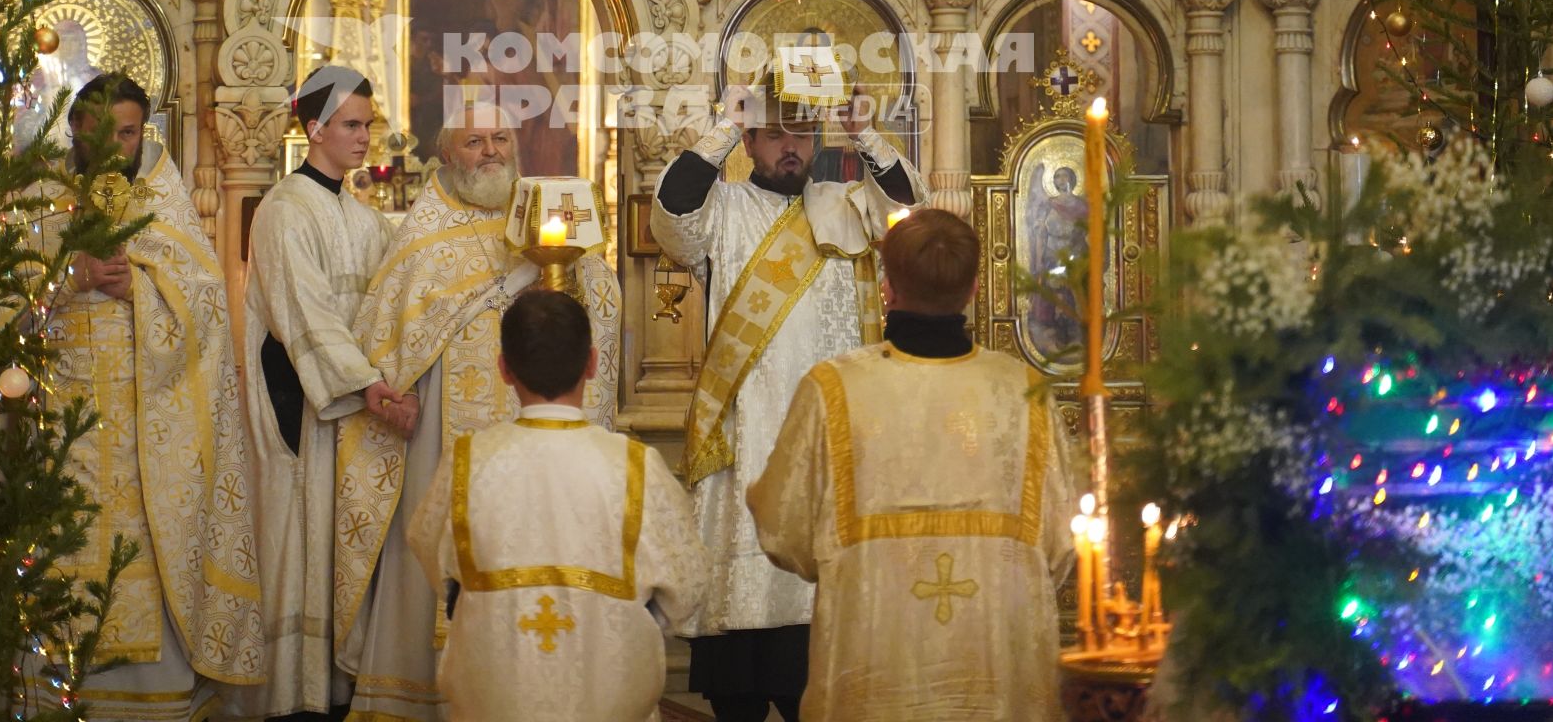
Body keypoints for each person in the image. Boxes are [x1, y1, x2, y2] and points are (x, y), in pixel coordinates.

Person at [333, 100, 624, 722]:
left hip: (541, 436)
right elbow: (386, 333)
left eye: (498, 139)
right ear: (445, 154)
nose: (490, 152)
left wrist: (569, 276)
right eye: (473, 142)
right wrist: (396, 385)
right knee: (437, 551)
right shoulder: (422, 235)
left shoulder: (545, 215)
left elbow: (600, 297)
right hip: (443, 439)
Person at [651, 68, 926, 722]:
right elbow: (671, 209)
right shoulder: (723, 212)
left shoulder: (845, 204)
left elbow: (908, 202)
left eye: (800, 130)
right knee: (739, 685)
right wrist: (723, 124)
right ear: (749, 138)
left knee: (822, 681)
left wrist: (865, 134)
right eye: (772, 132)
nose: (789, 146)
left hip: (830, 448)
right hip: (746, 449)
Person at [747, 208, 1078, 721]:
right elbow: (1059, 544)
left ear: (888, 287)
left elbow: (783, 530)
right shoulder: (1023, 393)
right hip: (997, 675)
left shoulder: (834, 388)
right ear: (972, 290)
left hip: (871, 668)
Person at [43, 74, 264, 719]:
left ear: (145, 132)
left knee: (145, 542)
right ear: (76, 127)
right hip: (58, 419)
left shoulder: (165, 202)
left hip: (147, 426)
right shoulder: (43, 197)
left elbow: (206, 308)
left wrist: (137, 286)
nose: (115, 145)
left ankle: (152, 703)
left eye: (130, 131)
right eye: (100, 129)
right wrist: (69, 273)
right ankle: (61, 692)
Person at [407, 290, 706, 722]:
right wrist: (629, 622)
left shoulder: (469, 461)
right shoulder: (637, 466)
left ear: (504, 368)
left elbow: (428, 548)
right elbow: (688, 584)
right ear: (591, 363)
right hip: (610, 695)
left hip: (493, 697)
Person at [229, 66, 403, 722]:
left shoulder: (363, 217)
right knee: (302, 551)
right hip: (307, 408)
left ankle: (337, 692)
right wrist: (370, 386)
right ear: (314, 129)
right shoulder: (283, 209)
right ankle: (293, 698)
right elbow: (304, 315)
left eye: (367, 125)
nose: (364, 138)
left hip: (358, 413)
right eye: (352, 125)